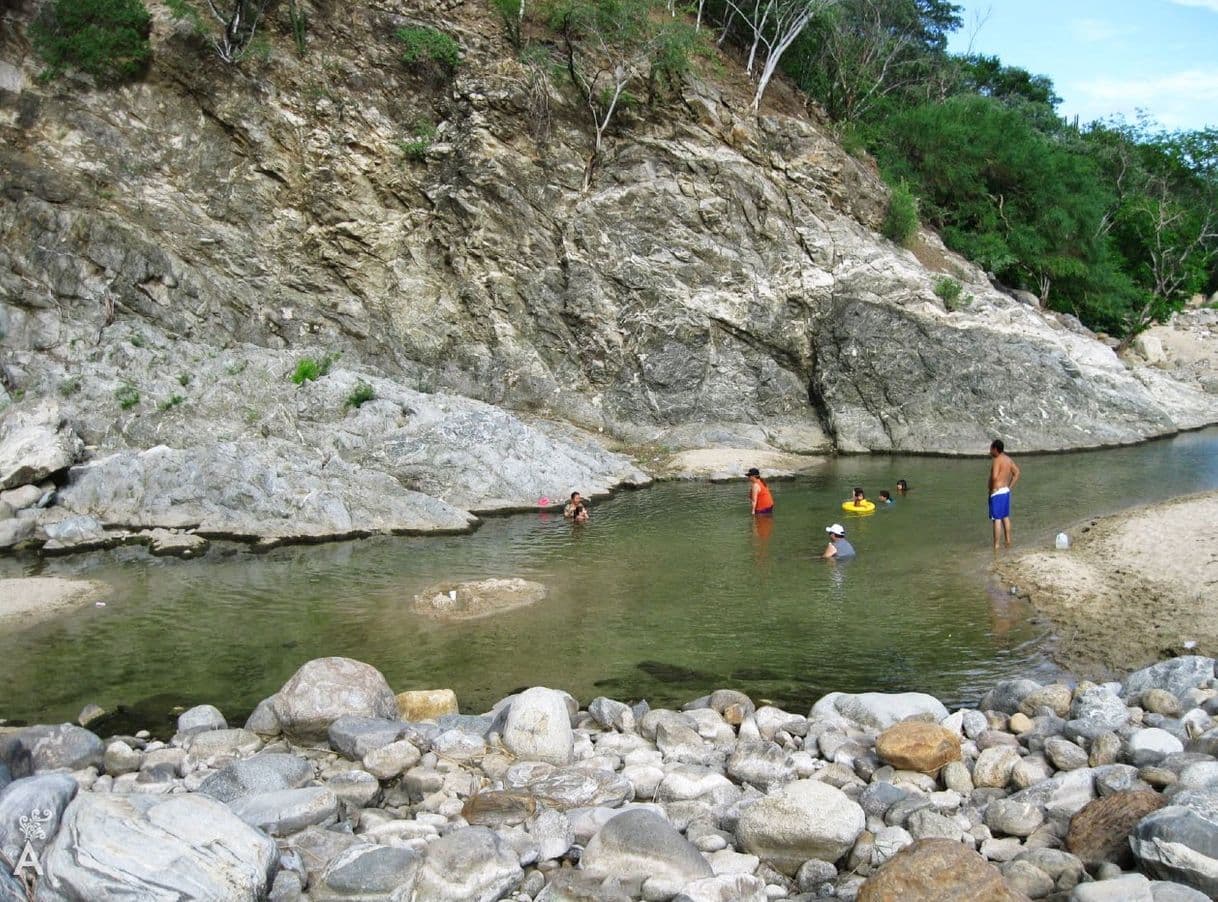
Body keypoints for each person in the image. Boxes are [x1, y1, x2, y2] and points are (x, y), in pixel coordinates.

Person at [988, 439, 1021, 549]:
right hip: (1005, 491)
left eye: (991, 448)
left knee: (996, 519)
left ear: (995, 449)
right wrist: (1010, 487)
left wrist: (991, 487)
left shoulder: (997, 460)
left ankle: (996, 545)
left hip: (997, 492)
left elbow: (994, 477)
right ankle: (1008, 541)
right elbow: (1017, 473)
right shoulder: (1008, 459)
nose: (990, 450)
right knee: (1005, 517)